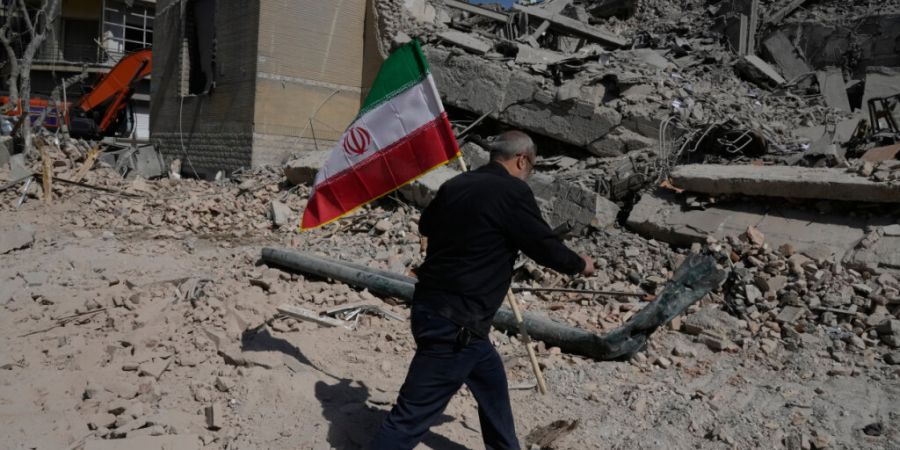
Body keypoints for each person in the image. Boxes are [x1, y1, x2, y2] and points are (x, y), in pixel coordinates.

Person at [370, 130, 595, 450]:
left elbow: (426, 226)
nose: (529, 173)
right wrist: (579, 265)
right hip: (457, 323)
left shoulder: (456, 184)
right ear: (522, 160)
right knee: (410, 416)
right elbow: (543, 245)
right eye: (531, 166)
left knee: (491, 383)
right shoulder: (513, 191)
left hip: (434, 310)